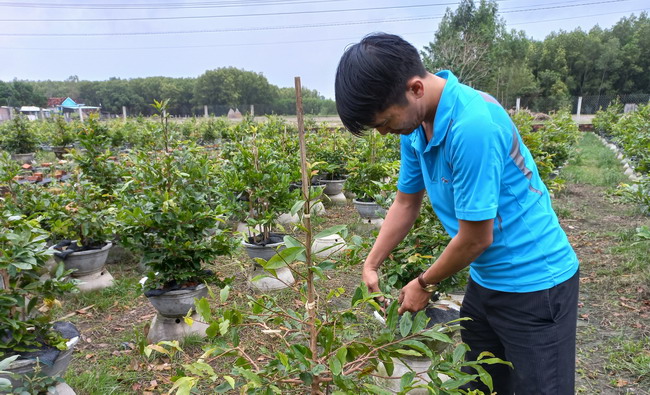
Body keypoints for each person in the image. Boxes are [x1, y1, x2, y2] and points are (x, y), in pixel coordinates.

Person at [334, 33, 579, 395]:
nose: (385, 132)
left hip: (536, 285)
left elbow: (477, 236)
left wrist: (423, 284)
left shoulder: (472, 125)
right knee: (479, 384)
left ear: (415, 88)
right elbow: (405, 202)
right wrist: (372, 263)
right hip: (485, 280)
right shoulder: (415, 126)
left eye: (385, 121)